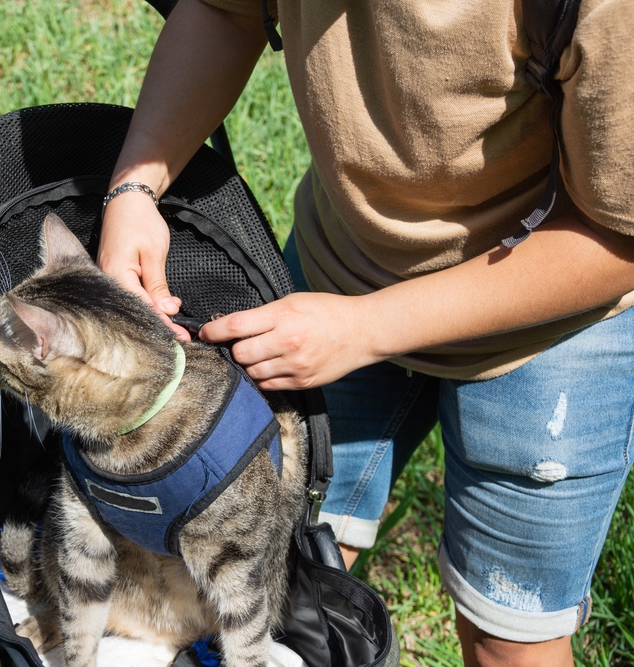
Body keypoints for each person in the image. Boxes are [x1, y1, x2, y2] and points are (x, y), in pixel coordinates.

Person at [95, 0, 634, 665]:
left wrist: (367, 328)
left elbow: (618, 235)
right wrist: (135, 189)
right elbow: (224, 13)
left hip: (546, 329)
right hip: (342, 268)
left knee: (508, 639)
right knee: (262, 565)